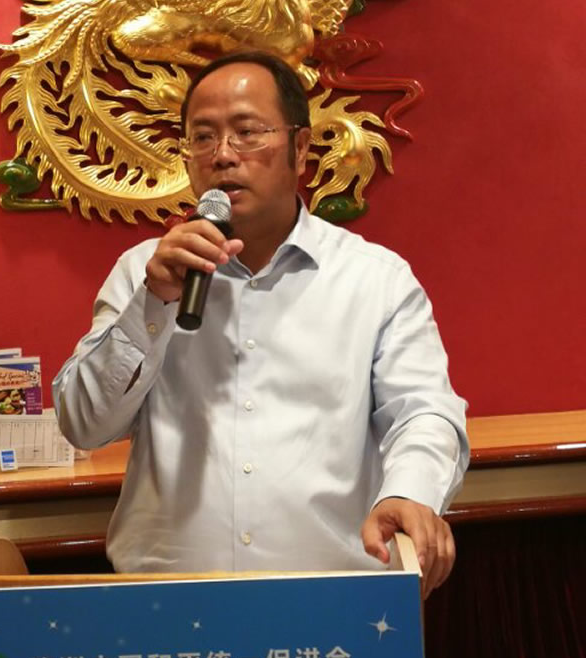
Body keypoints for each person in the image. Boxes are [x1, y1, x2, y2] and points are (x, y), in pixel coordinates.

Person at [53, 51, 469, 598]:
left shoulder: (375, 279)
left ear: (301, 147)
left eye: (247, 133)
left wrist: (410, 492)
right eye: (203, 137)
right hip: (168, 606)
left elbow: (423, 411)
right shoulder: (142, 273)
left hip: (332, 602)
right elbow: (83, 424)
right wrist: (154, 303)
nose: (223, 155)